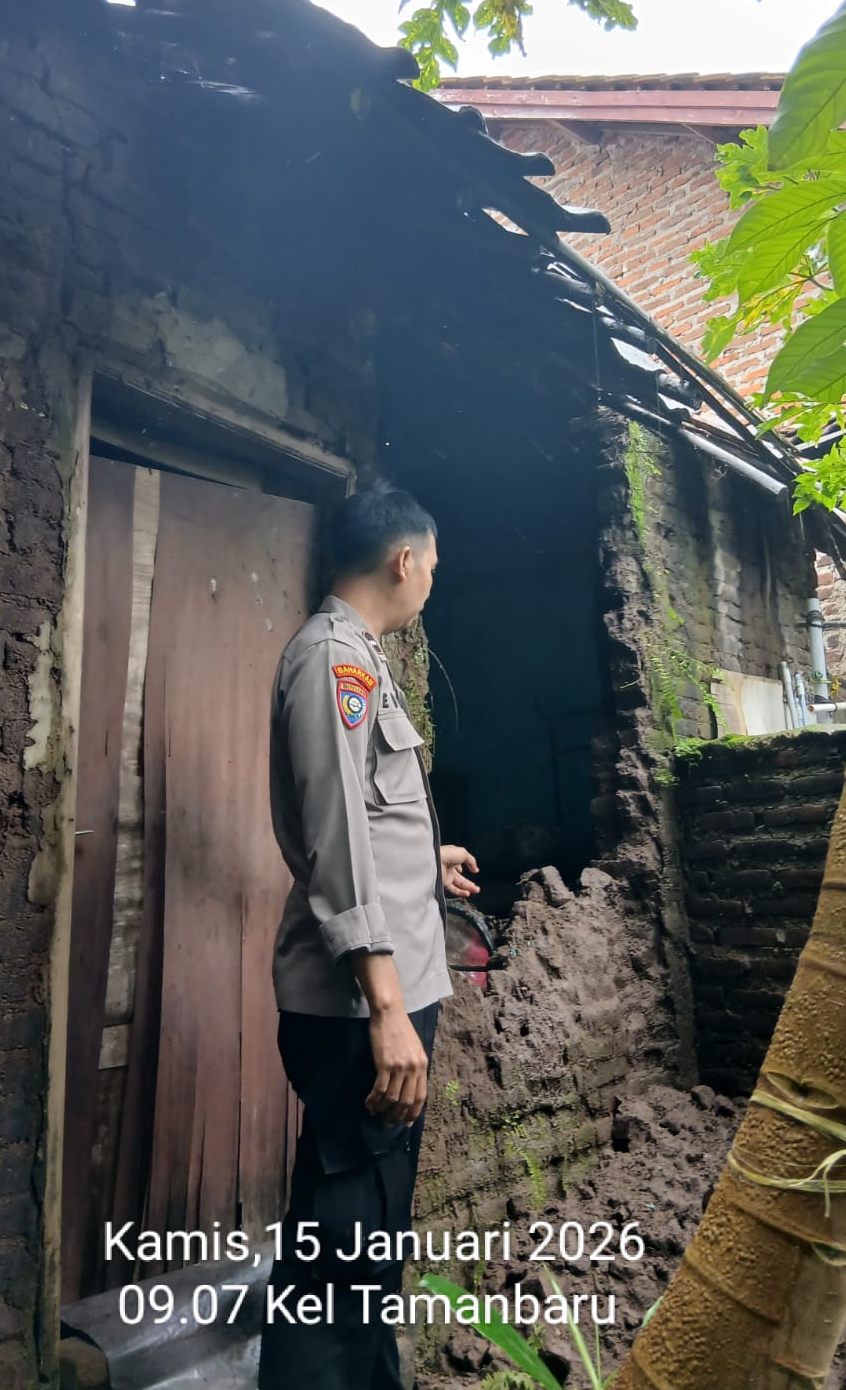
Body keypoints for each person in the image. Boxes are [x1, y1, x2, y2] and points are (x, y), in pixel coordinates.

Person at [257, 483, 480, 1390]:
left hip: (384, 993)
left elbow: (369, 822)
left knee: (362, 1234)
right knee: (346, 1251)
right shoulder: (331, 661)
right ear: (404, 559)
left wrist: (425, 859)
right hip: (361, 1008)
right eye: (432, 565)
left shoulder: (362, 659)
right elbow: (334, 836)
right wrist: (387, 1008)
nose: (431, 581)